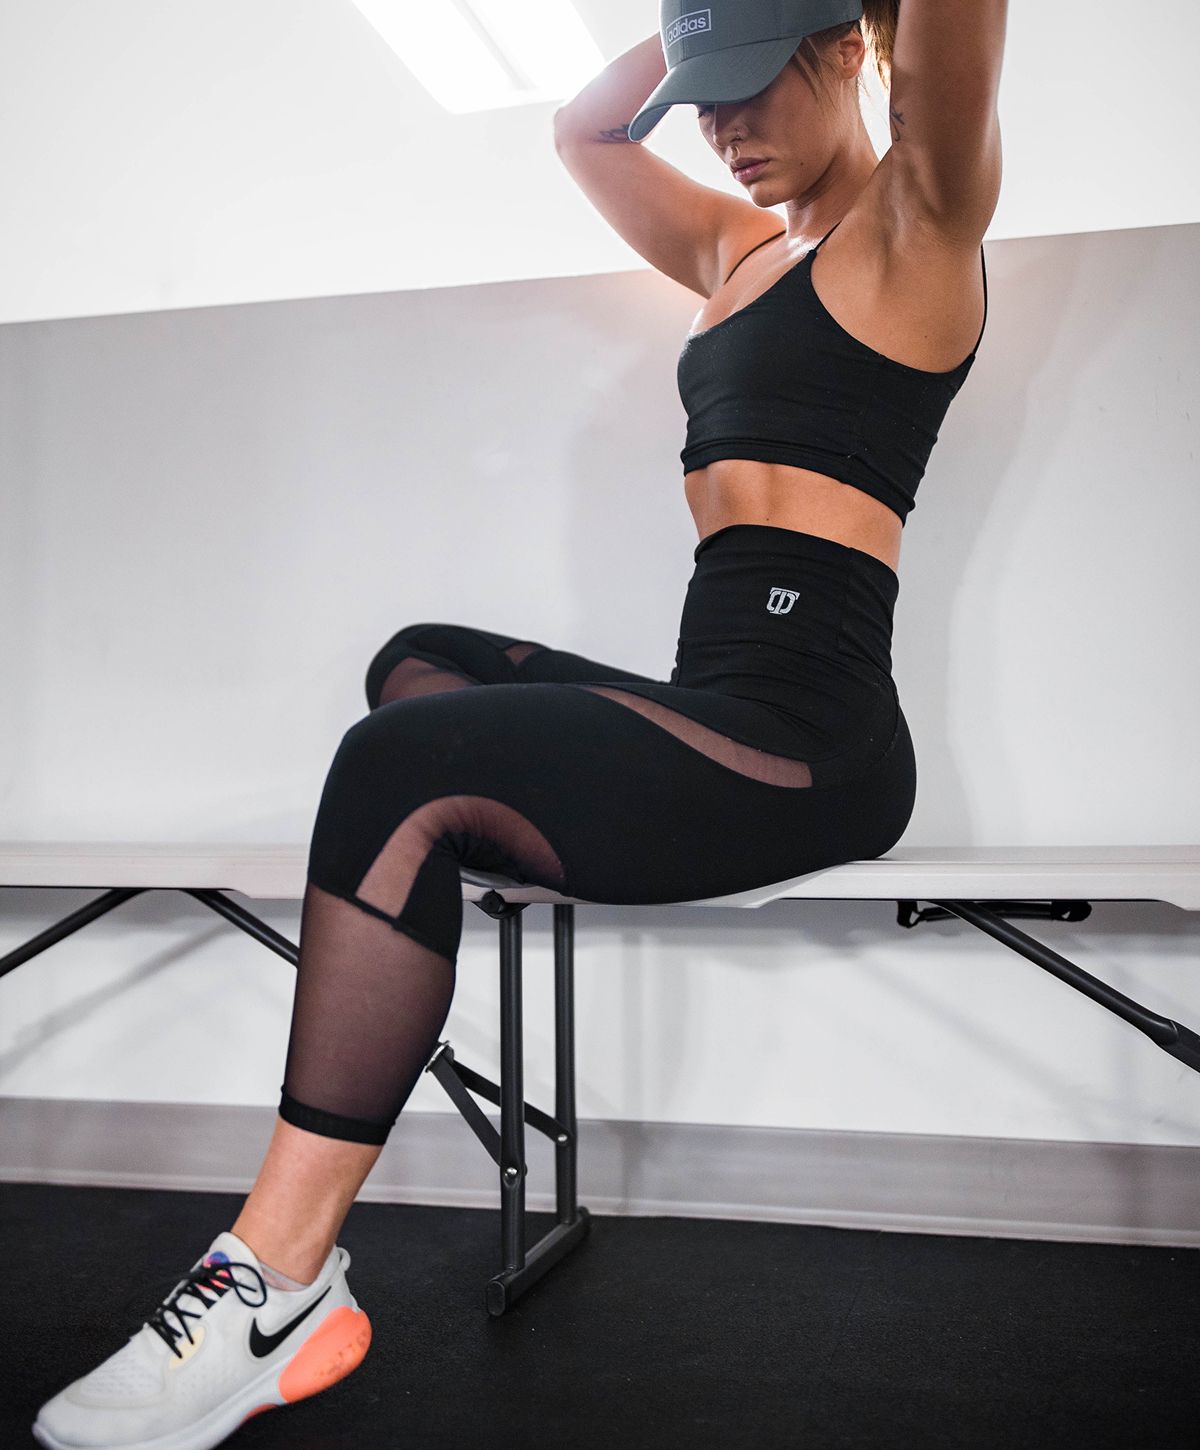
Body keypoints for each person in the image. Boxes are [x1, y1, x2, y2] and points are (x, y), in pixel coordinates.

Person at [32, 1, 1006, 1445]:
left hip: (819, 743)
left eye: (749, 90)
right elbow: (582, 129)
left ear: (854, 48)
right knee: (417, 671)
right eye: (705, 101)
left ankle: (281, 1280)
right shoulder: (737, 252)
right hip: (709, 706)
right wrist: (696, 36)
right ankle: (481, 838)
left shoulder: (921, 224)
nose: (724, 132)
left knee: (399, 766)